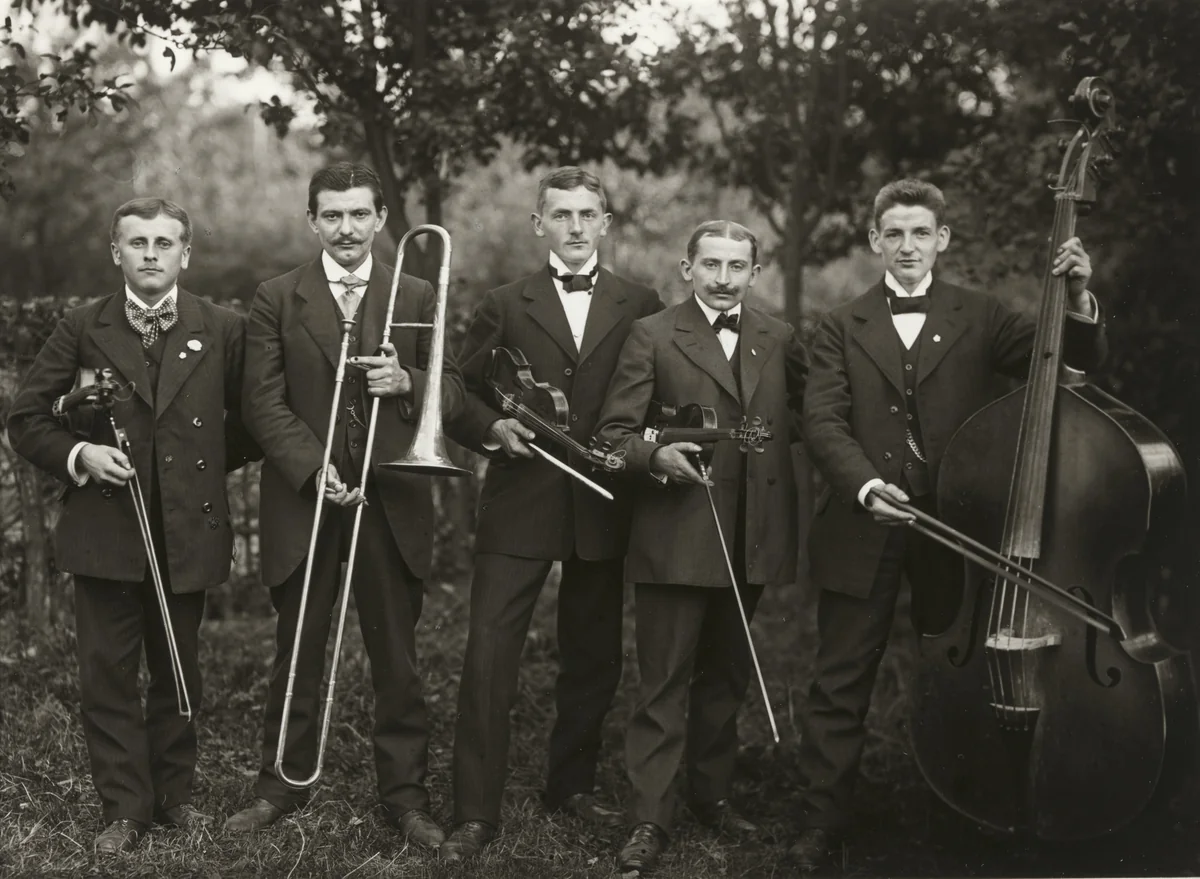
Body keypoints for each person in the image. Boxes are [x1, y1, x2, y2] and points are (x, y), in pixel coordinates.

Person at [789, 179, 1106, 870]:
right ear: (876, 239)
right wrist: (866, 484)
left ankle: (962, 808)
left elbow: (1066, 369)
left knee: (960, 673)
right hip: (862, 521)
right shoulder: (839, 325)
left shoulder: (982, 313)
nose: (907, 246)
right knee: (841, 677)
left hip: (959, 527)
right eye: (894, 233)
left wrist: (1077, 300)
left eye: (920, 233)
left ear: (942, 239)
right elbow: (821, 420)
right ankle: (821, 820)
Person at [6, 197, 260, 854]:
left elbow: (255, 421)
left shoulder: (224, 326)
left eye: (165, 242)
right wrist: (80, 454)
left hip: (187, 528)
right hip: (105, 529)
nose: (152, 253)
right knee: (108, 671)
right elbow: (28, 418)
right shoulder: (83, 325)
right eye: (138, 242)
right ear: (115, 252)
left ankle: (171, 795)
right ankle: (124, 805)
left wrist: (189, 470)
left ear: (186, 253)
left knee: (181, 668)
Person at [223, 162, 464, 849]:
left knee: (398, 658)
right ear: (312, 221)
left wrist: (408, 377)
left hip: (391, 500)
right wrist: (312, 467)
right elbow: (260, 400)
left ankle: (406, 796)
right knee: (296, 648)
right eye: (332, 215)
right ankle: (281, 783)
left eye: (359, 214)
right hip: (310, 499)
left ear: (382, 217)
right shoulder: (275, 296)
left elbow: (452, 386)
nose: (347, 228)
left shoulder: (415, 289)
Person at [439, 166, 663, 860]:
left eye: (586, 214)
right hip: (521, 497)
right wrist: (487, 430)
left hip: (602, 501)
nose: (573, 226)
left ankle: (571, 783)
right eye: (559, 214)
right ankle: (475, 810)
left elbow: (653, 397)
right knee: (489, 654)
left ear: (604, 224)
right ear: (539, 224)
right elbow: (459, 388)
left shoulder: (641, 300)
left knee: (593, 654)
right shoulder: (506, 303)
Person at [594, 220, 808, 874]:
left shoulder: (780, 337)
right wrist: (657, 452)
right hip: (677, 533)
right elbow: (611, 436)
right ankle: (650, 817)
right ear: (687, 269)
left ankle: (711, 795)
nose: (722, 277)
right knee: (663, 681)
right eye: (709, 263)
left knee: (727, 675)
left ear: (754, 270)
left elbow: (800, 418)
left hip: (750, 534)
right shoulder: (651, 335)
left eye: (736, 265)